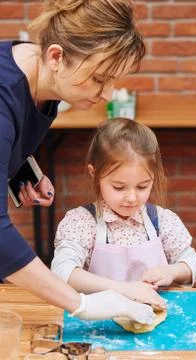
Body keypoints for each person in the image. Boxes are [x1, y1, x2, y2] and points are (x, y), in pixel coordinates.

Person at [0, 0, 158, 324]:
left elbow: (12, 135)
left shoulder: (47, 78)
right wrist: (81, 304)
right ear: (56, 56)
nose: (108, 95)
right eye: (99, 79)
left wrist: (20, 173)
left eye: (114, 80)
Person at [51, 118, 196, 303]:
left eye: (142, 187)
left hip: (154, 315)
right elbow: (62, 271)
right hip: (101, 319)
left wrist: (171, 272)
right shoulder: (82, 222)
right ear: (95, 174)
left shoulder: (162, 220)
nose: (132, 198)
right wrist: (124, 290)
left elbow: (193, 262)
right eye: (119, 187)